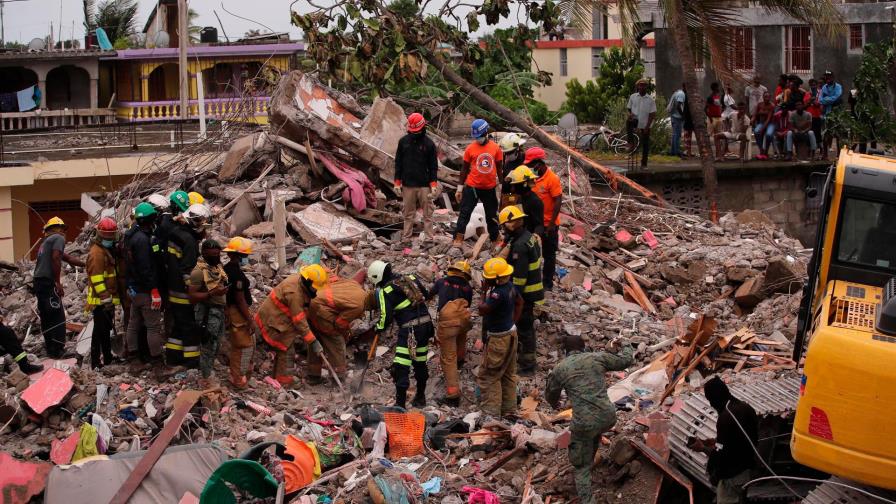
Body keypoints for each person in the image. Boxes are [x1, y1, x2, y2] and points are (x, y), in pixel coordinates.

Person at [546, 334, 634, 504]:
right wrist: (625, 343)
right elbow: (626, 360)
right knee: (592, 434)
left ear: (566, 351)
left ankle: (588, 499)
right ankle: (590, 461)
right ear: (583, 348)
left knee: (580, 466)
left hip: (585, 422)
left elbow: (551, 396)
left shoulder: (560, 369)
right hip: (608, 416)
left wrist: (555, 404)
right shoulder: (597, 357)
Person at [368, 260, 433, 408]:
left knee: (401, 365)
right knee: (420, 362)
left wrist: (379, 327)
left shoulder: (385, 291)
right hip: (426, 325)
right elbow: (425, 294)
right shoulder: (410, 278)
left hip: (410, 330)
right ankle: (420, 398)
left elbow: (386, 317)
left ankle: (400, 405)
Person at [688, 376, 758, 504]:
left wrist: (703, 448)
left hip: (733, 476)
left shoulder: (726, 417)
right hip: (747, 471)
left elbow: (722, 455)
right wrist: (715, 441)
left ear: (715, 398)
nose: (710, 404)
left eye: (710, 399)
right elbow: (737, 441)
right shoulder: (746, 407)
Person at [254, 265, 326, 385]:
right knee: (287, 350)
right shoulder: (295, 294)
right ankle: (284, 382)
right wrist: (313, 341)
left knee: (285, 348)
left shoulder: (299, 281)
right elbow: (299, 320)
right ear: (308, 282)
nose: (316, 291)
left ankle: (277, 378)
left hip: (278, 318)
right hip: (274, 321)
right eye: (314, 288)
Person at [499, 205, 544, 376]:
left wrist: (514, 296)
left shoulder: (519, 246)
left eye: (504, 225)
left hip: (525, 294)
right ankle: (524, 359)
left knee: (524, 329)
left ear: (511, 224)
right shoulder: (528, 237)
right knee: (525, 328)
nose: (503, 229)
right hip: (533, 291)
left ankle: (527, 365)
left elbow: (519, 276)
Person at [164, 203, 210, 368]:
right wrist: (194, 291)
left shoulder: (175, 233)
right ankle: (192, 361)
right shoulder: (189, 241)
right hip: (184, 293)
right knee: (189, 326)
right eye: (201, 222)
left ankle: (173, 356)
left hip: (172, 287)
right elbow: (187, 270)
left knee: (179, 325)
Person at [33, 217, 84, 358]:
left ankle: (50, 348)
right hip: (48, 283)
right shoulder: (58, 238)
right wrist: (57, 282)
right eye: (63, 229)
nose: (64, 232)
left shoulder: (47, 241)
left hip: (39, 282)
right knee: (57, 315)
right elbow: (56, 258)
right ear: (59, 228)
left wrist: (85, 264)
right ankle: (58, 350)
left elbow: (66, 258)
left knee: (46, 316)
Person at [477, 257, 522, 418]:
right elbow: (519, 303)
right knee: (509, 374)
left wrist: (483, 292)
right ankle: (509, 410)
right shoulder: (510, 286)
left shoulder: (497, 294)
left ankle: (491, 414)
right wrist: (511, 323)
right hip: (511, 333)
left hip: (499, 339)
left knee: (490, 375)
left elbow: (482, 310)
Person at [426, 260, 473, 406]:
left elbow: (429, 295)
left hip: (447, 320)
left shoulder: (442, 282)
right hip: (463, 318)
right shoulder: (467, 287)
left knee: (448, 357)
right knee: (461, 336)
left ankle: (453, 394)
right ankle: (460, 362)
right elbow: (469, 304)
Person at [307, 272, 368, 384]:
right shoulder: (360, 305)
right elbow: (339, 324)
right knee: (337, 342)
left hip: (311, 303)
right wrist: (346, 333)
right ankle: (338, 378)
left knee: (316, 339)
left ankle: (313, 376)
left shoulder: (354, 285)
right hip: (320, 310)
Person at [454, 119, 503, 247]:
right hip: (472, 188)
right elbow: (464, 170)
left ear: (486, 132)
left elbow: (499, 168)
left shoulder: (495, 148)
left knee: (491, 215)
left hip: (490, 188)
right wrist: (459, 189)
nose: (479, 139)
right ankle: (458, 237)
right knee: (465, 213)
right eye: (476, 137)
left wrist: (502, 185)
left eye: (480, 136)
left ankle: (495, 239)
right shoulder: (470, 149)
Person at [125, 203, 164, 362]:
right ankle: (157, 362)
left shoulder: (131, 235)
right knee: (153, 327)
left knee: (133, 324)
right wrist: (154, 290)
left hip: (134, 288)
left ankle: (134, 358)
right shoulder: (142, 240)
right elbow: (145, 267)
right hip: (145, 290)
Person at [187, 240, 229, 381]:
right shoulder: (198, 272)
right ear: (204, 254)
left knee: (216, 343)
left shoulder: (216, 267)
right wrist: (212, 293)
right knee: (208, 345)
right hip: (207, 312)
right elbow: (192, 296)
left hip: (219, 311)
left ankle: (209, 369)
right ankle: (206, 377)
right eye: (212, 255)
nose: (216, 257)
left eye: (218, 254)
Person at [394, 112, 438, 243]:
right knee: (408, 214)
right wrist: (397, 182)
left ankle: (429, 239)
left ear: (423, 127)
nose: (414, 133)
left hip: (425, 185)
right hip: (407, 184)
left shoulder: (429, 144)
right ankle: (406, 239)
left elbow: (433, 166)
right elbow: (398, 163)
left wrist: (433, 185)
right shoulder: (403, 142)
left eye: (416, 131)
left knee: (427, 214)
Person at [85, 217, 121, 369]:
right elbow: (97, 279)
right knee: (99, 331)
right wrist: (106, 298)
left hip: (107, 298)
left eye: (111, 236)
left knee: (105, 330)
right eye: (106, 237)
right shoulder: (97, 253)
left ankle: (107, 357)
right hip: (100, 300)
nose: (109, 239)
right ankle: (95, 362)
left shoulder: (105, 250)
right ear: (100, 235)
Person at [526, 147, 561, 291]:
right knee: (530, 253)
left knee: (549, 255)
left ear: (539, 163)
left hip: (548, 224)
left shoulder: (552, 179)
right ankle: (531, 279)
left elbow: (558, 201)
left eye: (531, 165)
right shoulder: (530, 177)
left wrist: (552, 224)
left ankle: (547, 283)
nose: (529, 167)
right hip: (533, 223)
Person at [222, 237, 255, 388]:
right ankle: (238, 379)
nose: (246, 259)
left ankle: (236, 375)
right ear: (239, 255)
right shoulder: (236, 275)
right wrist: (250, 319)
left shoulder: (227, 269)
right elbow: (240, 299)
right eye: (245, 256)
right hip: (237, 312)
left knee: (237, 346)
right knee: (244, 346)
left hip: (232, 310)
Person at [505, 166, 544, 237]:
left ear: (524, 185)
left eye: (515, 185)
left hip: (527, 239)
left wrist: (533, 239)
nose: (512, 189)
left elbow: (539, 226)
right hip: (520, 236)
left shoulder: (535, 202)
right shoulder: (520, 198)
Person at [626, 78, 656, 168]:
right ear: (638, 86)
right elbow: (629, 108)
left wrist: (647, 127)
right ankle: (631, 142)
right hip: (635, 120)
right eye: (640, 85)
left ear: (646, 87)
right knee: (628, 122)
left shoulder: (650, 99)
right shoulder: (633, 96)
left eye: (644, 85)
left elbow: (652, 114)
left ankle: (644, 163)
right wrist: (630, 114)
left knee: (645, 144)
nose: (642, 87)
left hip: (645, 123)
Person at [819, 70, 843, 160]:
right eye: (826, 76)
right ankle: (825, 155)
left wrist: (827, 99)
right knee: (826, 134)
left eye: (829, 76)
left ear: (833, 77)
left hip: (837, 114)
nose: (827, 78)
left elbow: (837, 97)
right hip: (827, 114)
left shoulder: (838, 87)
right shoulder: (824, 88)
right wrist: (830, 100)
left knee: (838, 135)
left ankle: (839, 154)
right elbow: (820, 100)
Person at [498, 133, 526, 204]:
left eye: (510, 152)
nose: (508, 155)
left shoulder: (526, 161)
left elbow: (532, 181)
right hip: (510, 197)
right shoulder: (507, 163)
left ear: (517, 149)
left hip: (523, 198)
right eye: (506, 153)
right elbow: (504, 188)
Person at [751, 92, 775, 160]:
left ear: (770, 97)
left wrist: (763, 128)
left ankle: (766, 150)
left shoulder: (772, 106)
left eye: (768, 97)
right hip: (761, 123)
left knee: (769, 134)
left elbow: (768, 119)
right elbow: (755, 115)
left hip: (770, 124)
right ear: (763, 97)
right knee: (756, 131)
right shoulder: (760, 105)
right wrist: (752, 120)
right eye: (765, 97)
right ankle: (761, 149)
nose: (767, 98)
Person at [667, 84, 686, 157]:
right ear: (685, 87)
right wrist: (682, 115)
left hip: (674, 116)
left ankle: (673, 151)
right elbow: (678, 105)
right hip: (677, 117)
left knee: (675, 134)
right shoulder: (681, 94)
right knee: (677, 135)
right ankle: (676, 151)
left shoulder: (678, 92)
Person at [807, 79, 824, 158]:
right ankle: (811, 151)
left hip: (817, 116)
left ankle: (821, 149)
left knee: (818, 134)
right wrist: (810, 100)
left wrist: (813, 101)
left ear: (816, 85)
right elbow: (806, 103)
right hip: (810, 117)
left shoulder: (820, 93)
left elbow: (819, 104)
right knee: (811, 133)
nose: (813, 86)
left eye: (814, 85)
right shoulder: (807, 93)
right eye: (811, 85)